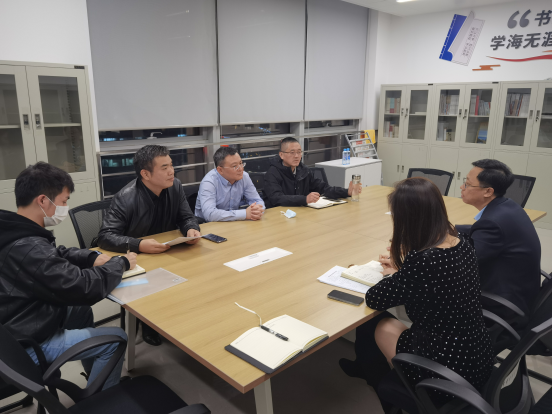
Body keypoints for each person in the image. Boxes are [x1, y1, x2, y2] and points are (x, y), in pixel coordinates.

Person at [340, 177, 493, 409]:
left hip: (447, 370)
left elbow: (375, 298)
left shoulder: (424, 260)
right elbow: (434, 282)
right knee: (383, 323)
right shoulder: (461, 241)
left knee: (380, 325)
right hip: (478, 353)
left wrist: (398, 272)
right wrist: (403, 270)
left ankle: (388, 393)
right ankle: (366, 367)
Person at [0, 162, 137, 390]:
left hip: (16, 322)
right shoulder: (29, 247)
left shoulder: (13, 230)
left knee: (80, 312)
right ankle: (101, 398)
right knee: (117, 338)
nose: (65, 207)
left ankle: (97, 377)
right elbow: (82, 287)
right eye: (63, 201)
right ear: (43, 200)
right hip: (27, 344)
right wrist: (120, 264)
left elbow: (54, 254)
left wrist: (90, 257)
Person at [97, 144, 201, 345]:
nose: (171, 171)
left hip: (168, 252)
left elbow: (186, 217)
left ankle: (180, 319)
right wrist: (139, 244)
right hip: (140, 259)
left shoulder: (175, 186)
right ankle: (148, 324)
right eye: (164, 167)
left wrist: (191, 229)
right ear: (145, 174)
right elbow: (105, 236)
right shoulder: (126, 197)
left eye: (171, 165)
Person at [456, 159, 541, 333]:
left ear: (488, 191)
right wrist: (450, 229)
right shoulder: (506, 207)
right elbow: (479, 231)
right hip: (521, 294)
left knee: (433, 284)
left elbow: (462, 265)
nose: (462, 187)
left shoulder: (492, 223)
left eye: (467, 184)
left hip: (502, 309)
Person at [263, 137, 360, 208]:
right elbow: (276, 198)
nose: (296, 156)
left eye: (299, 152)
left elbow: (324, 188)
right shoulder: (272, 173)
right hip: (279, 215)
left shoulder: (303, 170)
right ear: (281, 155)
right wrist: (304, 199)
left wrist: (346, 192)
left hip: (301, 213)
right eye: (292, 152)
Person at [195, 147, 265, 222]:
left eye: (241, 163)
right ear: (220, 170)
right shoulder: (209, 182)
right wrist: (244, 214)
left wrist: (256, 210)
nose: (241, 169)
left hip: (233, 222)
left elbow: (257, 201)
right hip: (206, 224)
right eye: (235, 166)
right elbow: (210, 215)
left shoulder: (244, 176)